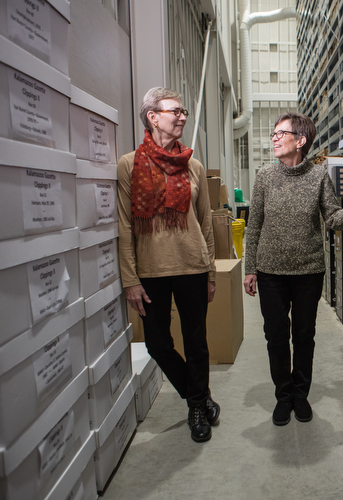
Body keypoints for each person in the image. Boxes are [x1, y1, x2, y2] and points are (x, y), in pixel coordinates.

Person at [243, 112, 343, 426]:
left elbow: (333, 220)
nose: (274, 137)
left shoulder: (318, 177)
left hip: (308, 272)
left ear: (300, 140)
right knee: (276, 337)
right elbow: (254, 226)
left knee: (304, 335)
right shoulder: (264, 176)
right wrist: (250, 269)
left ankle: (301, 395)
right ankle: (283, 395)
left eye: (281, 133)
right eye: (273, 133)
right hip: (270, 273)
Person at [117, 87, 219, 443]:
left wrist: (210, 271)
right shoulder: (129, 165)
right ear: (152, 116)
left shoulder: (194, 166)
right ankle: (200, 396)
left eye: (184, 111)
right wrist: (130, 278)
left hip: (192, 265)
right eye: (175, 110)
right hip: (150, 271)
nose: (182, 117)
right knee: (158, 344)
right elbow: (124, 225)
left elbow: (205, 221)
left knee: (196, 342)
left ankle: (194, 408)